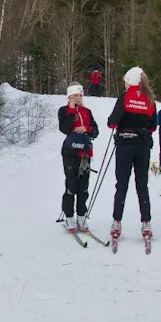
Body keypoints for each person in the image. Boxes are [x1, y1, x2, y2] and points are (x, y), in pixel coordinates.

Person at [106, 66, 157, 244]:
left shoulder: (125, 97)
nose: (125, 84)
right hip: (142, 146)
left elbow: (112, 123)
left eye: (126, 81)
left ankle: (117, 222)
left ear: (130, 81)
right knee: (142, 185)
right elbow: (152, 126)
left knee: (122, 184)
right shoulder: (150, 99)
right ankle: (146, 222)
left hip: (125, 145)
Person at [58, 84, 99, 233]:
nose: (78, 98)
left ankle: (81, 216)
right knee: (71, 184)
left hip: (85, 153)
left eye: (80, 96)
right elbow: (64, 128)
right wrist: (71, 110)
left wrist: (87, 129)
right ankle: (69, 216)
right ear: (69, 97)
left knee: (84, 187)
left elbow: (95, 131)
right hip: (70, 152)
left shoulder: (87, 112)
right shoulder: (64, 111)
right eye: (75, 96)